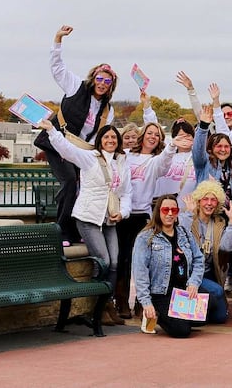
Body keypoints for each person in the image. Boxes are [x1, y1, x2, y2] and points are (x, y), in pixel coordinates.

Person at [38, 119, 131, 326]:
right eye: (106, 137)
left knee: (115, 262)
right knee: (103, 260)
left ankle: (107, 303)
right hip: (88, 217)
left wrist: (123, 213)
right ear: (100, 141)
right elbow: (68, 149)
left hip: (109, 218)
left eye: (113, 137)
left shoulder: (122, 162)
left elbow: (126, 193)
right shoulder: (90, 158)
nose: (110, 140)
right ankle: (97, 308)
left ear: (118, 141)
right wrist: (52, 130)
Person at [34, 25, 117, 245]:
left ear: (111, 86)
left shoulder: (108, 111)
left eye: (107, 82)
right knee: (70, 181)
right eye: (99, 79)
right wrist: (58, 39)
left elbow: (99, 139)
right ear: (93, 78)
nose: (102, 84)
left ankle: (75, 228)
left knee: (83, 186)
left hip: (80, 150)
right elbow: (57, 68)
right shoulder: (76, 87)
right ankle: (61, 231)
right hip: (56, 141)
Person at [117, 122, 181, 319]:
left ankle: (141, 301)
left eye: (157, 134)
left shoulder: (155, 161)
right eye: (150, 133)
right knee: (122, 259)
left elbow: (165, 160)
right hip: (122, 214)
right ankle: (121, 301)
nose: (153, 137)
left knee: (143, 260)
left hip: (143, 215)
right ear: (142, 135)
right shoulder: (126, 156)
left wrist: (172, 145)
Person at [132, 194, 204, 338]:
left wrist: (193, 283)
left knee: (210, 311)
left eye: (174, 210)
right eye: (165, 210)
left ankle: (180, 316)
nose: (170, 214)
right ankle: (154, 313)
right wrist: (146, 302)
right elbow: (140, 272)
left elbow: (198, 259)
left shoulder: (184, 233)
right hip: (161, 293)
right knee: (182, 331)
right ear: (158, 212)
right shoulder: (145, 237)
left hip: (183, 291)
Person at [178, 180, 232, 324]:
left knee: (220, 318)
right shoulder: (188, 218)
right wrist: (188, 213)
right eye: (205, 199)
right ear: (198, 201)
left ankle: (201, 310)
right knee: (218, 291)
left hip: (210, 273)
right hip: (191, 273)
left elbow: (227, 247)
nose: (209, 203)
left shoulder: (219, 222)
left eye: (213, 200)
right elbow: (180, 236)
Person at [193, 104, 232, 198]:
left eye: (226, 146)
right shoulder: (204, 163)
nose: (223, 150)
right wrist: (203, 126)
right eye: (219, 146)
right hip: (206, 206)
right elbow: (198, 150)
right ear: (211, 148)